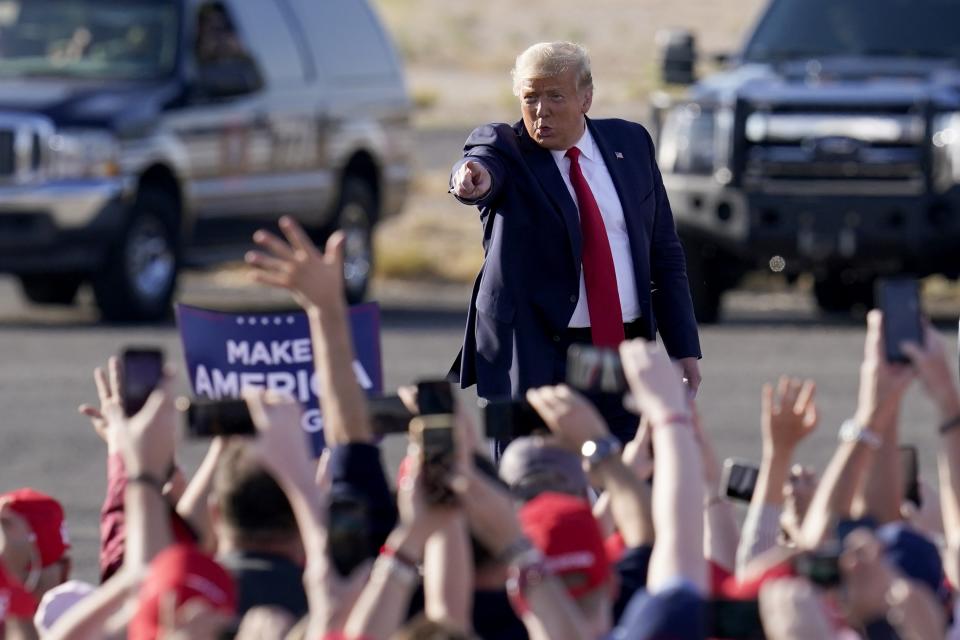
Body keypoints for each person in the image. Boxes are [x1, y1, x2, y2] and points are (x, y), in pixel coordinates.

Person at [448, 41, 701, 446]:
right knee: (538, 484)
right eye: (530, 97)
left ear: (586, 98)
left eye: (555, 96)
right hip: (544, 355)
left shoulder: (631, 144)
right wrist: (470, 175)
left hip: (622, 350)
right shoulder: (507, 150)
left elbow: (664, 254)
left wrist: (683, 345)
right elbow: (480, 164)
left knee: (632, 478)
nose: (541, 110)